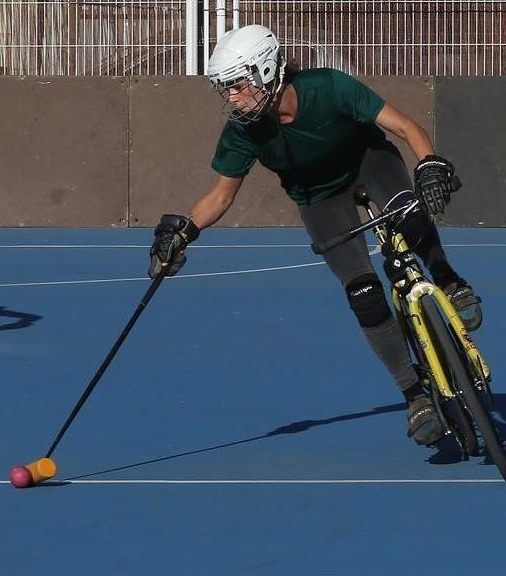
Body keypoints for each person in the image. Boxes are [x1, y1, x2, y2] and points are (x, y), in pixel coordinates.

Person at [149, 24, 483, 447]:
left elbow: (406, 127)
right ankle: (414, 395)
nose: (231, 98)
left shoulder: (328, 87)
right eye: (225, 90)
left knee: (408, 215)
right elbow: (219, 195)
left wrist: (429, 163)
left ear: (266, 71)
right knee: (362, 292)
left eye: (237, 86)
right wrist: (184, 233)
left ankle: (450, 280)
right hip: (318, 196)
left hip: (368, 161)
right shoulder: (243, 131)